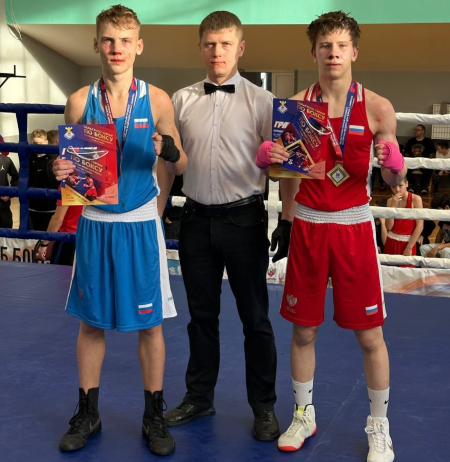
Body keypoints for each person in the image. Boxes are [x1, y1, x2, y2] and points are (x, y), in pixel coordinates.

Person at [256, 11, 407, 462]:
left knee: (370, 336)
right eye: (326, 46)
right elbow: (283, 173)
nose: (333, 53)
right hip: (309, 225)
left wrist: (394, 162)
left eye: (341, 46)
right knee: (304, 330)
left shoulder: (377, 107)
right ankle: (304, 414)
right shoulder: (296, 107)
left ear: (354, 52)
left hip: (354, 226)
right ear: (314, 53)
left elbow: (393, 179)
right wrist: (269, 160)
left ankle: (379, 427)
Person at [51, 4, 187, 456]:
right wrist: (59, 168)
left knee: (150, 324)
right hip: (95, 223)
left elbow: (182, 164)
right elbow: (70, 166)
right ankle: (87, 412)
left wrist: (169, 150)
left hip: (139, 223)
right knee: (91, 322)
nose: (116, 48)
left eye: (125, 40)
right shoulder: (78, 101)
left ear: (138, 46)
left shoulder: (158, 99)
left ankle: (153, 415)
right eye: (108, 39)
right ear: (96, 44)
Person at [165, 10, 288, 442]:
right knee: (200, 318)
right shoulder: (180, 100)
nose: (217, 52)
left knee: (255, 318)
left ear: (240, 48)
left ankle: (264, 406)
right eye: (210, 44)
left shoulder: (263, 101)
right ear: (200, 48)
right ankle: (199, 396)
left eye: (225, 44)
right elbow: (169, 164)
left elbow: (285, 165)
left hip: (244, 219)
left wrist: (287, 218)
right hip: (195, 218)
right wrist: (156, 214)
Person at [35, 185, 82, 265]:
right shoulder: (95, 182)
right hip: (88, 238)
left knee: (61, 272)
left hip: (67, 239)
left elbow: (58, 219)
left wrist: (44, 243)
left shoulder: (68, 184)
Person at [384, 180, 423, 266]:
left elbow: (420, 225)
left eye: (400, 186)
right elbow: (389, 227)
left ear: (406, 184)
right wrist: (392, 206)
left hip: (408, 243)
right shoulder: (390, 201)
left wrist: (409, 247)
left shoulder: (415, 199)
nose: (397, 190)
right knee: (390, 272)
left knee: (406, 272)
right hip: (391, 242)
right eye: (393, 187)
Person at [29, 129, 59, 230]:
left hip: (51, 205)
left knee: (51, 235)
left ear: (46, 142)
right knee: (35, 234)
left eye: (40, 143)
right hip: (33, 205)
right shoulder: (28, 159)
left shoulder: (54, 159)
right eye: (35, 143)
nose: (38, 146)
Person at [404, 124, 436, 194]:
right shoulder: (411, 141)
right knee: (405, 169)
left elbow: (432, 154)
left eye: (418, 130)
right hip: (412, 163)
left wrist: (428, 162)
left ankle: (423, 186)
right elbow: (406, 154)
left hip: (424, 163)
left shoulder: (428, 142)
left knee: (429, 170)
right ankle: (412, 185)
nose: (416, 131)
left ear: (423, 131)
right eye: (415, 130)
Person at [420, 192, 450, 258]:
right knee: (424, 248)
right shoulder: (444, 217)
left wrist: (438, 247)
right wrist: (435, 246)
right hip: (445, 246)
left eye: (438, 210)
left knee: (446, 251)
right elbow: (440, 233)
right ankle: (432, 265)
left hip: (447, 249)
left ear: (447, 207)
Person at [0, 153, 19, 228]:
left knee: (7, 231)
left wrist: (10, 193)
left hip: (3, 206)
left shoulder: (6, 160)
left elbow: (16, 178)